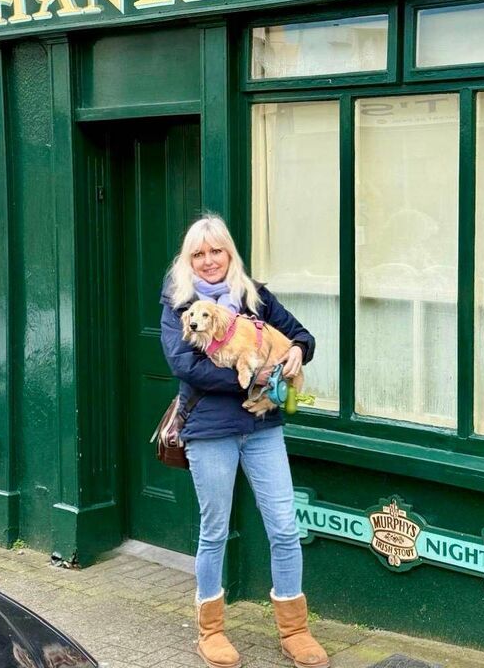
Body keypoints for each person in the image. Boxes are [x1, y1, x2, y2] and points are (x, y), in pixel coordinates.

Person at [160, 214, 329, 668]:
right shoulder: (178, 301)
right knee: (214, 530)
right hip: (210, 429)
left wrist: (296, 353)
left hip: (262, 428)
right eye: (198, 253)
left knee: (284, 526)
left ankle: (294, 630)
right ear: (188, 260)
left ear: (229, 253)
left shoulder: (253, 295)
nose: (209, 260)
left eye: (216, 250)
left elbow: (302, 336)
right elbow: (186, 366)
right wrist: (254, 377)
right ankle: (211, 631)